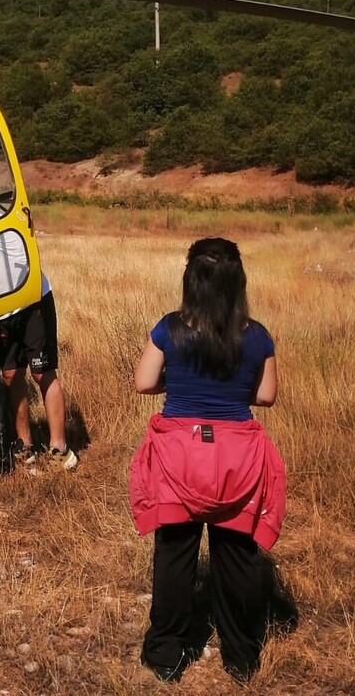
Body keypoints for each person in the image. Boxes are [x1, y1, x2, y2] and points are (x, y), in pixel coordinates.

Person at [130, 237, 284, 684]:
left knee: (175, 554)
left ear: (190, 280)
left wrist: (176, 385)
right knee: (236, 556)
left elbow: (144, 383)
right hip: (237, 457)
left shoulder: (170, 329)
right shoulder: (257, 337)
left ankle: (165, 655)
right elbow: (267, 396)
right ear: (239, 282)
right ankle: (241, 657)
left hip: (179, 454)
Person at [0, 203, 77, 470]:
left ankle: (59, 447)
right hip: (2, 310)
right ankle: (24, 447)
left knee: (42, 373)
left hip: (30, 299)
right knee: (12, 375)